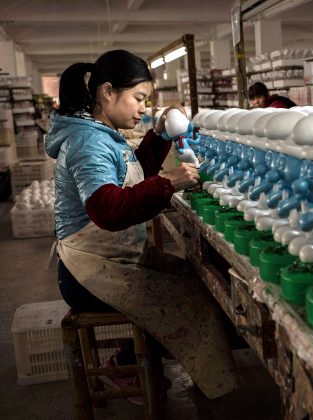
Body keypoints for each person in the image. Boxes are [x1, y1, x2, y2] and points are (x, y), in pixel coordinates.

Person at [45, 49, 236, 400]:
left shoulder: (101, 134)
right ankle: (127, 370)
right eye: (138, 98)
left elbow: (133, 178)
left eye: (146, 101)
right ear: (107, 92)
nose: (142, 109)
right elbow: (108, 211)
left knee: (194, 281)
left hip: (108, 257)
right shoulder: (88, 142)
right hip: (88, 271)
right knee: (193, 301)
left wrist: (161, 134)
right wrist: (169, 183)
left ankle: (127, 360)